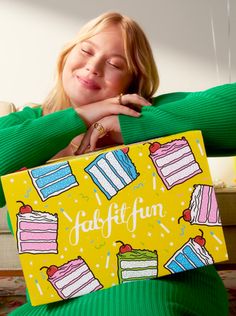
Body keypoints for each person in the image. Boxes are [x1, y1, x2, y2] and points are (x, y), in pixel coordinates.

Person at [0, 11, 235, 316]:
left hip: (162, 283)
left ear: (132, 80)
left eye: (115, 64)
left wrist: (134, 125)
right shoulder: (26, 125)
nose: (93, 67)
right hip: (64, 297)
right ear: (66, 56)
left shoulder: (145, 113)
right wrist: (80, 117)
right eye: (86, 50)